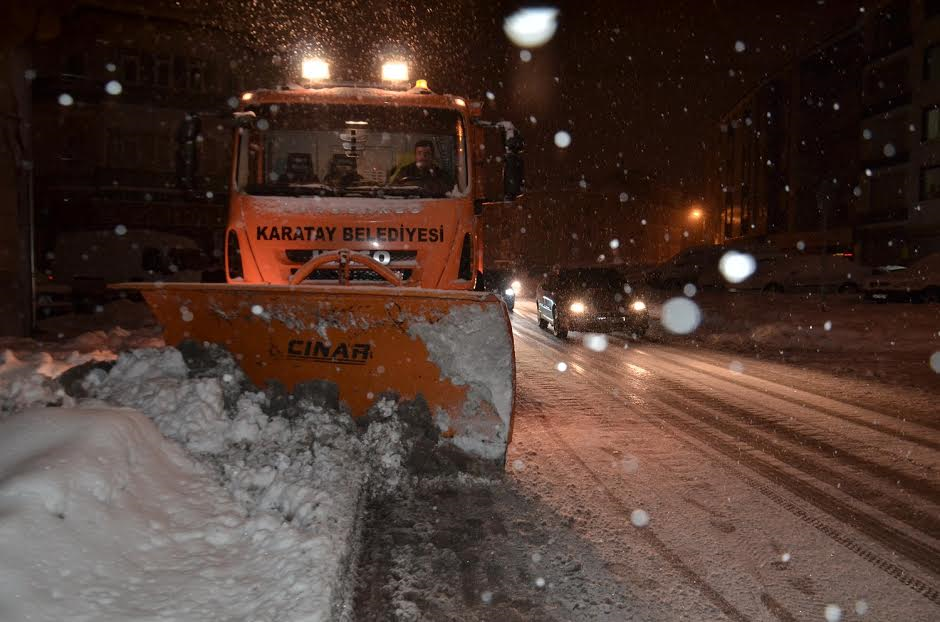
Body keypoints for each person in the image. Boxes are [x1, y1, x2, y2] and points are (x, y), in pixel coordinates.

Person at [389, 140, 454, 195]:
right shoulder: (405, 171)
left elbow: (449, 190)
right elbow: (394, 188)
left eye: (427, 153)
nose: (423, 157)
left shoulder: (441, 174)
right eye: (419, 153)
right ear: (415, 155)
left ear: (432, 156)